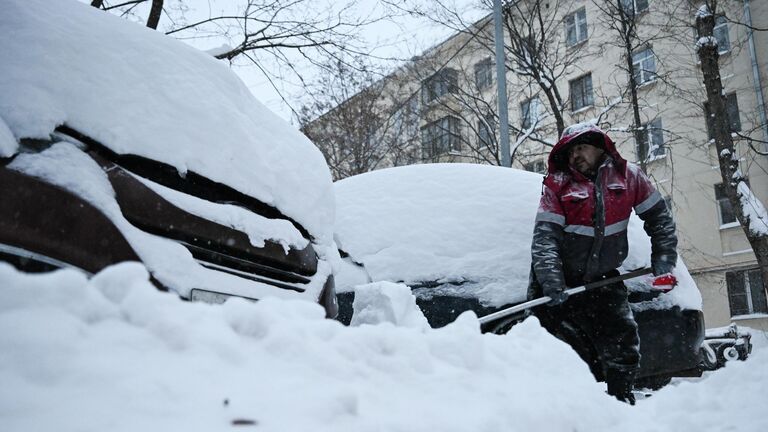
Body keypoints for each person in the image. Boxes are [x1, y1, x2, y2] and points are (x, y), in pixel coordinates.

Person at [528, 123, 677, 405]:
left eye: (581, 148)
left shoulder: (629, 178)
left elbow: (659, 219)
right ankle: (552, 407)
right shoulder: (557, 185)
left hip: (603, 278)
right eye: (570, 152)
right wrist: (551, 282)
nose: (575, 156)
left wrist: (664, 257)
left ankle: (621, 402)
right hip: (560, 280)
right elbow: (545, 238)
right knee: (546, 344)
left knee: (622, 343)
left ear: (600, 148)